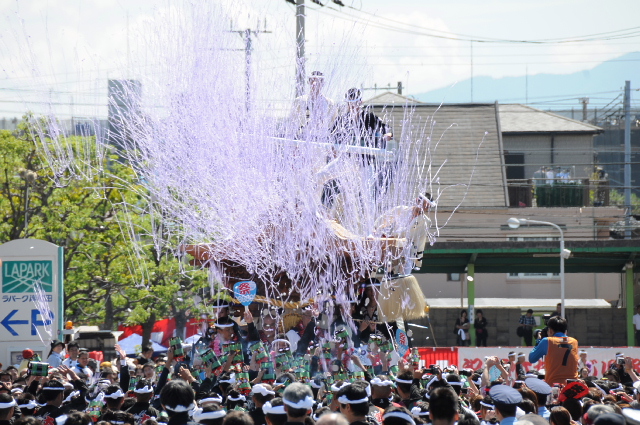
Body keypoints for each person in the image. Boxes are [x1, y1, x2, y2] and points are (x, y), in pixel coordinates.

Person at [528, 316, 578, 384]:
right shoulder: (574, 341)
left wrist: (538, 341)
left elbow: (532, 359)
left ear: (551, 331)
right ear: (565, 331)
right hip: (572, 384)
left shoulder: (547, 341)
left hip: (553, 384)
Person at [289, 70, 337, 141]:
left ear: (323, 83)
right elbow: (293, 122)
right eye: (312, 80)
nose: (315, 83)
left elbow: (333, 124)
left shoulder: (330, 103)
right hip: (303, 138)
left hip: (323, 139)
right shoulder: (299, 101)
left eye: (318, 81)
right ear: (308, 82)